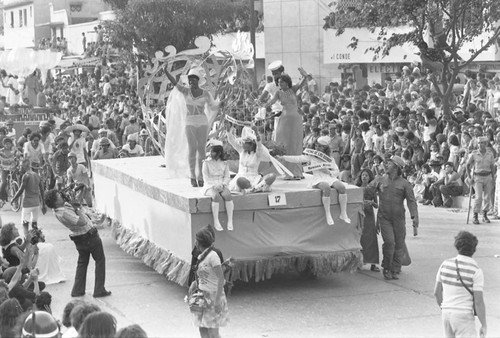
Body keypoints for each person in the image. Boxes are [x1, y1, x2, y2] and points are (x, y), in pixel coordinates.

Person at [44, 188, 111, 298]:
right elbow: (82, 221)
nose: (61, 195)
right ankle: (99, 290)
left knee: (82, 263)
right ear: (55, 202)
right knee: (100, 260)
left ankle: (78, 290)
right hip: (88, 235)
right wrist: (78, 208)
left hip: (79, 238)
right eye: (59, 196)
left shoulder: (58, 210)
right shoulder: (64, 212)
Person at [164, 67, 219, 187]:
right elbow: (174, 83)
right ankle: (192, 176)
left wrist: (221, 102)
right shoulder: (185, 91)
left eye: (193, 79)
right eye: (189, 80)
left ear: (197, 80)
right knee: (192, 148)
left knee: (202, 150)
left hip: (202, 122)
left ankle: (201, 176)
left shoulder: (206, 93)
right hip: (189, 122)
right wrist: (166, 72)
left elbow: (213, 106)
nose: (191, 82)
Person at [278, 136, 351, 225]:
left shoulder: (329, 158)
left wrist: (328, 171)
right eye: (316, 146)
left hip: (329, 177)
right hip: (318, 178)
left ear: (325, 148)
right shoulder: (310, 157)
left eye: (320, 147)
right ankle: (328, 214)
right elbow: (297, 159)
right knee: (326, 187)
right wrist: (283, 157)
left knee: (342, 187)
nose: (317, 148)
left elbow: (336, 171)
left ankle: (343, 213)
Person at [372, 155, 418, 280]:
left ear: (397, 167)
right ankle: (386, 267)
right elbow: (367, 191)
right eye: (387, 163)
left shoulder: (405, 184)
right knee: (389, 242)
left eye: (390, 164)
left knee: (399, 244)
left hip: (399, 218)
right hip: (384, 217)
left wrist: (414, 217)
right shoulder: (380, 180)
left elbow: (411, 201)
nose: (386, 165)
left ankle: (396, 268)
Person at [434, 231, 487, 338]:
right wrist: (483, 324)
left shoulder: (445, 264)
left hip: (446, 314)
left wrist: (446, 308)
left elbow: (436, 293)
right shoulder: (476, 271)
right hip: (464, 316)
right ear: (474, 249)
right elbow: (478, 302)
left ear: (457, 246)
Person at [265, 72, 308, 179]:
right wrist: (265, 105)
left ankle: (297, 172)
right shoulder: (278, 93)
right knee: (284, 143)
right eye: (278, 82)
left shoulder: (293, 89)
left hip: (296, 119)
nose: (280, 84)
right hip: (284, 119)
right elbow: (271, 101)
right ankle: (287, 172)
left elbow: (302, 81)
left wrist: (305, 75)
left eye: (281, 82)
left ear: (287, 82)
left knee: (295, 143)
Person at [190, 225, 229, 338]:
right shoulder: (201, 255)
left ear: (198, 242)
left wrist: (217, 301)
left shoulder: (213, 257)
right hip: (201, 296)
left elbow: (221, 278)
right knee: (202, 329)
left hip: (212, 297)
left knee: (212, 333)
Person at [227, 126, 276, 193]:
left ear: (251, 145)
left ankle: (255, 188)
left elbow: (259, 145)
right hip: (243, 178)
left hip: (255, 178)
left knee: (272, 176)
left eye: (245, 143)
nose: (243, 144)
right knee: (240, 180)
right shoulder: (241, 151)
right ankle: (256, 188)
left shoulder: (257, 154)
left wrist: (256, 132)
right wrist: (228, 131)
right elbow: (232, 141)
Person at [202, 139, 234, 231]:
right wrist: (214, 186)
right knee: (216, 196)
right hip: (210, 185)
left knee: (227, 195)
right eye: (211, 151)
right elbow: (206, 178)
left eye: (213, 152)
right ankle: (216, 221)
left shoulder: (225, 163)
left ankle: (230, 221)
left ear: (219, 153)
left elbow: (227, 177)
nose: (211, 153)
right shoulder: (206, 163)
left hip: (221, 184)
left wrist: (223, 184)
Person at [12, 158, 47, 234]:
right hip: (36, 203)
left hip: (27, 203)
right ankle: (35, 241)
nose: (20, 168)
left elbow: (21, 190)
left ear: (25, 166)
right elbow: (42, 190)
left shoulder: (26, 176)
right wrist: (43, 203)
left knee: (25, 223)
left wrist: (14, 198)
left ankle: (26, 240)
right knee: (34, 223)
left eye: (21, 166)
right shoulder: (37, 175)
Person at [467, 136, 495, 224]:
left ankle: (485, 215)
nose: (480, 145)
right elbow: (468, 165)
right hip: (477, 177)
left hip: (487, 176)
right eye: (479, 143)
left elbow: (492, 166)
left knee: (487, 197)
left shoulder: (490, 154)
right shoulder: (474, 154)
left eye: (482, 143)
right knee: (478, 197)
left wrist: (493, 178)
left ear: (486, 144)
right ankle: (475, 215)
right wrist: (469, 177)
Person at [356, 168, 380, 272]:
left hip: (369, 216)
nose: (364, 177)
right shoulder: (356, 189)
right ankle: (359, 262)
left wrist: (371, 203)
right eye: (363, 175)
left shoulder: (372, 190)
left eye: (366, 175)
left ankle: (373, 264)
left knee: (371, 239)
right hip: (359, 216)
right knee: (359, 239)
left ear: (370, 177)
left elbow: (377, 205)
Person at [259, 60, 284, 142]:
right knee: (276, 134)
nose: (274, 76)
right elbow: (261, 99)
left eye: (276, 73)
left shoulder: (288, 84)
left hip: (288, 112)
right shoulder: (270, 85)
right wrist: (266, 107)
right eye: (273, 74)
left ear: (281, 72)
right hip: (276, 113)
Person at [0, 137, 19, 203]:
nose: (8, 145)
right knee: (4, 182)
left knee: (15, 182)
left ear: (11, 144)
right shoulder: (1, 151)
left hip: (12, 169)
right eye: (6, 144)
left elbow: (19, 155)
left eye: (9, 144)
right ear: (4, 144)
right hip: (4, 169)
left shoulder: (14, 151)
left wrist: (19, 155)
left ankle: (16, 199)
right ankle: (1, 198)